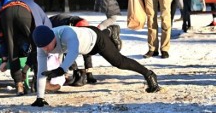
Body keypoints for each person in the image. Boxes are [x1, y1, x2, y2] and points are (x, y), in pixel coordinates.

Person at [29, 25, 159, 107]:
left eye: (47, 46)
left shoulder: (67, 33)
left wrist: (61, 69)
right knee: (87, 49)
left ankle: (149, 74)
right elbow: (42, 70)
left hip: (95, 41)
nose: (46, 50)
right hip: (85, 44)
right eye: (42, 47)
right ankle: (109, 31)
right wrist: (40, 98)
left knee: (119, 62)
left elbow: (73, 52)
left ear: (53, 38)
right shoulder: (42, 47)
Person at [0, 0, 51, 95]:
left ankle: (19, 86)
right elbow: (45, 35)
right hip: (24, 11)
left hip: (5, 13)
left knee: (12, 47)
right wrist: (26, 67)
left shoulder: (4, 6)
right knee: (38, 44)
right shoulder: (34, 6)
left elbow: (3, 39)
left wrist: (4, 60)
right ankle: (39, 83)